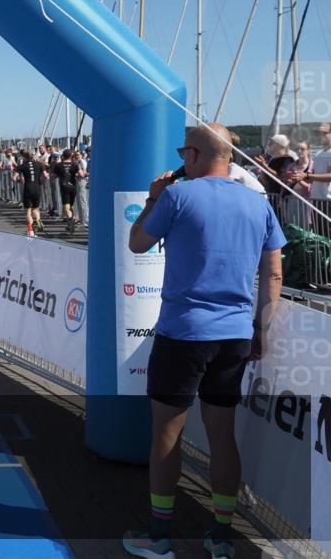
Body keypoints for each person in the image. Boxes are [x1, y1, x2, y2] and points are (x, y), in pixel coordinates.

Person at [124, 123, 285, 559]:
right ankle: (221, 537)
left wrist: (154, 196)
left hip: (183, 332)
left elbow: (137, 243)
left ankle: (160, 536)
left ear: (194, 155)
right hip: (234, 334)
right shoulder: (258, 204)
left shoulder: (177, 196)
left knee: (167, 433)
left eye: (183, 153)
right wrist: (262, 331)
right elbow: (272, 275)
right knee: (222, 435)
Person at [13, 150, 46, 236]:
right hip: (37, 188)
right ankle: (38, 220)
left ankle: (31, 230)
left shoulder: (21, 166)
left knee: (28, 210)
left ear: (24, 157)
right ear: (33, 157)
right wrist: (40, 181)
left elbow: (14, 178)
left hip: (28, 188)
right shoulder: (39, 165)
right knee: (35, 208)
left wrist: (19, 181)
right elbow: (45, 175)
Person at [52, 150, 81, 233]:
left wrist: (57, 173)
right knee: (71, 205)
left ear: (63, 156)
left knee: (66, 207)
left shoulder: (58, 165)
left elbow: (53, 176)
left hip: (64, 187)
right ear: (70, 156)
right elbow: (81, 174)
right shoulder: (75, 164)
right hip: (73, 186)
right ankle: (71, 220)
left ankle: (70, 222)